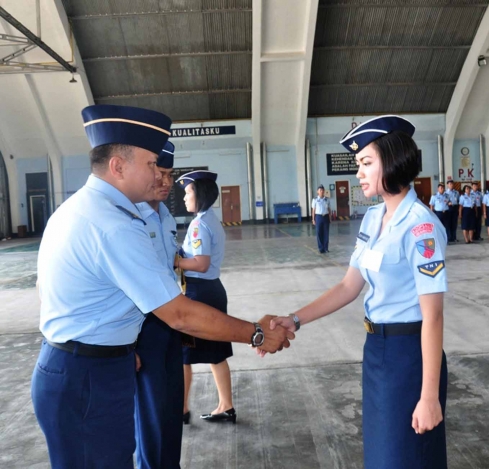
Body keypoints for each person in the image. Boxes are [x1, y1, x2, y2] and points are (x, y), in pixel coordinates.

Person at [31, 104, 293, 469]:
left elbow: (52, 291)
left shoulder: (76, 208)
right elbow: (180, 314)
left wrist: (118, 345)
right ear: (118, 166)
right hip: (86, 377)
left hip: (88, 364)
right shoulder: (113, 224)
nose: (159, 174)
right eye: (152, 164)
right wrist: (257, 334)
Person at [265, 115, 448, 469]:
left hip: (410, 355)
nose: (358, 173)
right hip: (376, 352)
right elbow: (349, 286)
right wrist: (295, 319)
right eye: (358, 164)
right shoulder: (371, 218)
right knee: (382, 456)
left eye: (366, 163)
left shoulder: (420, 227)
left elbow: (434, 316)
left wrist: (429, 396)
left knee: (407, 458)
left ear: (392, 161)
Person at [133, 141, 185, 469]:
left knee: (171, 410)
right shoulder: (131, 217)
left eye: (170, 174)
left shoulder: (166, 216)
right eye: (160, 173)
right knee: (150, 416)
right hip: (144, 328)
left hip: (171, 325)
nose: (166, 182)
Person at [176, 170, 236, 424]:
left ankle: (181, 410)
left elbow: (200, 263)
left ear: (199, 194)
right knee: (215, 352)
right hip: (212, 290)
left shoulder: (199, 224)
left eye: (188, 193)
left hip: (199, 293)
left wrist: (176, 260)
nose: (185, 198)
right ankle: (226, 406)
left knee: (183, 355)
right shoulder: (210, 219)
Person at [312, 184, 331, 253]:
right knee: (319, 233)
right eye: (320, 190)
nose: (321, 191)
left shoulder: (327, 199)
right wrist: (313, 219)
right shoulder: (315, 200)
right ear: (317, 191)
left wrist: (330, 217)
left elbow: (329, 209)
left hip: (325, 217)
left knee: (326, 233)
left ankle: (326, 248)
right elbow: (313, 210)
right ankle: (321, 248)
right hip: (318, 217)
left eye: (322, 190)